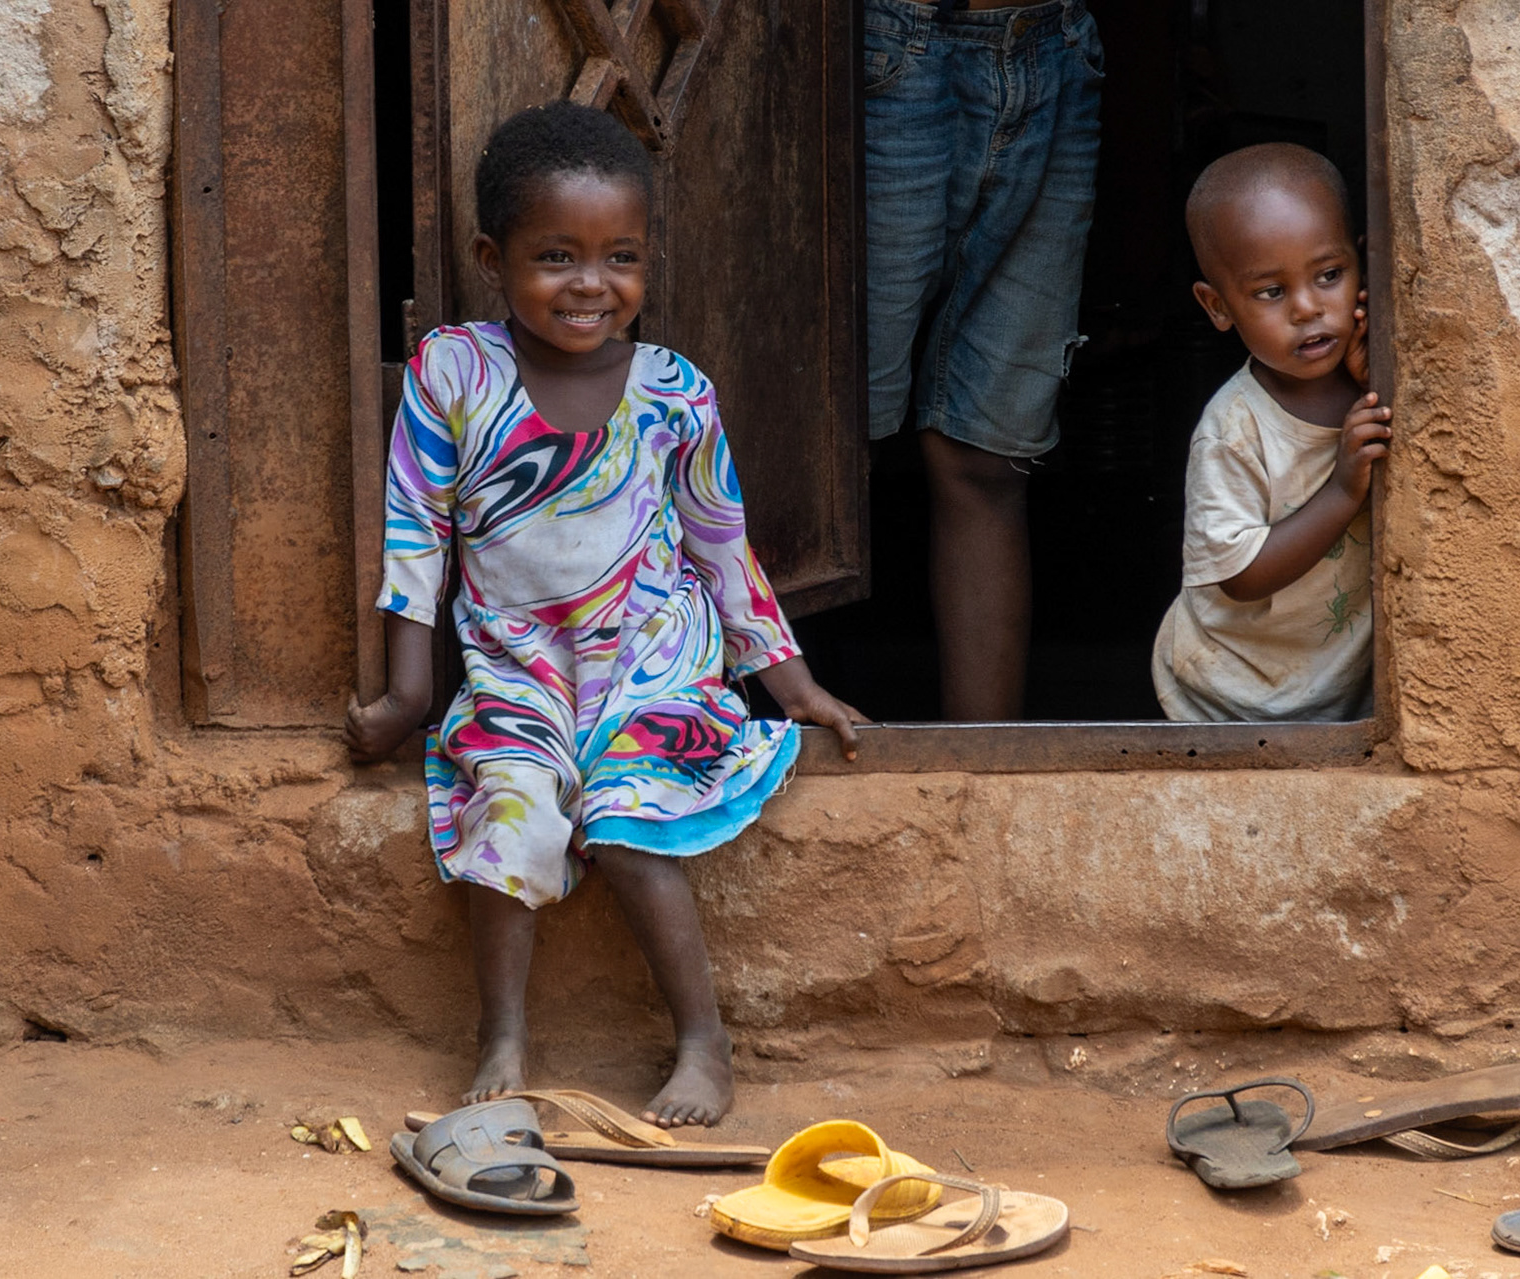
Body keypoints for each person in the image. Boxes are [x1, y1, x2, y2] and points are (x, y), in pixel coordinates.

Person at [343, 102, 865, 1127]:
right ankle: (502, 1031)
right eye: (556, 257)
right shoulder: (455, 373)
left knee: (628, 822)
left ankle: (704, 1043)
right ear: (493, 259)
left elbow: (722, 544)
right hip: (517, 667)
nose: (591, 284)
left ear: (648, 259)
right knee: (512, 813)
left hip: (650, 661)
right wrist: (411, 692)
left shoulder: (675, 392)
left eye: (619, 256)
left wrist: (791, 684)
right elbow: (416, 534)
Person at [864, 0, 1103, 721]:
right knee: (826, 449)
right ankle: (744, 752)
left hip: (1055, 40)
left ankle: (981, 775)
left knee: (986, 456)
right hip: (891, 42)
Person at [1151, 143, 1389, 723]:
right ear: (1217, 306)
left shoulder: (1380, 384)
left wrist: (1369, 387)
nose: (1309, 308)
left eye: (1329, 275)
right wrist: (1340, 491)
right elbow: (1240, 575)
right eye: (1271, 292)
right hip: (1226, 696)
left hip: (1339, 697)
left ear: (1364, 266)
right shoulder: (1234, 429)